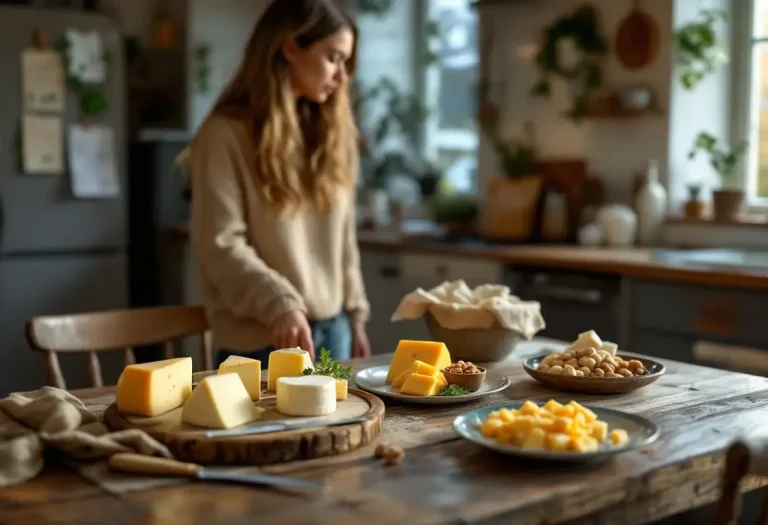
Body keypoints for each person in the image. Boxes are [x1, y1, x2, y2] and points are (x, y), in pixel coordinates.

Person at [188, 0, 371, 368]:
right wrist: (279, 303)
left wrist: (356, 315)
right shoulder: (223, 135)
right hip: (263, 339)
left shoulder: (331, 137)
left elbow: (343, 238)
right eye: (333, 58)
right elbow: (221, 244)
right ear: (290, 47)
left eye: (346, 63)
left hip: (334, 334)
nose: (341, 76)